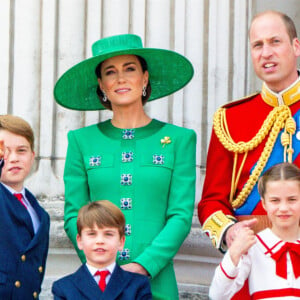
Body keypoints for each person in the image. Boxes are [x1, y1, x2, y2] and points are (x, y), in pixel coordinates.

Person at [53, 33, 196, 299]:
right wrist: (103, 265)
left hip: (158, 284)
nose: (120, 78)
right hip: (98, 286)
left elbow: (180, 215)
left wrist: (143, 266)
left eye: (129, 68)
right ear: (101, 84)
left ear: (144, 77)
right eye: (110, 72)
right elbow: (74, 215)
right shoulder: (81, 141)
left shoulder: (179, 140)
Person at [209, 162, 300, 299]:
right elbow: (218, 295)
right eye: (275, 200)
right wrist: (234, 253)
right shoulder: (253, 246)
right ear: (264, 203)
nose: (283, 208)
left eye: (292, 200)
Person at [52, 200, 152, 299]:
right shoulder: (64, 288)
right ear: (80, 241)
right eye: (92, 234)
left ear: (121, 242)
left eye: (108, 234)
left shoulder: (138, 285)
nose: (100, 241)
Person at [0, 115, 50, 299]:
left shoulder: (41, 214)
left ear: (32, 156)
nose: (12, 158)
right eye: (3, 152)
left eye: (21, 151)